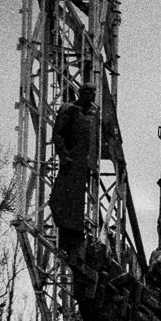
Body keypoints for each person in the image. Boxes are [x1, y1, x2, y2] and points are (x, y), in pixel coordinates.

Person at [50, 84, 99, 257]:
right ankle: (66, 239)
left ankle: (75, 240)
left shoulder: (92, 114)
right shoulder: (69, 110)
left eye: (94, 92)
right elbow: (58, 134)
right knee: (62, 199)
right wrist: (64, 155)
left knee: (77, 202)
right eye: (88, 92)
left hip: (82, 164)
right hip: (70, 162)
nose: (92, 95)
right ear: (80, 93)